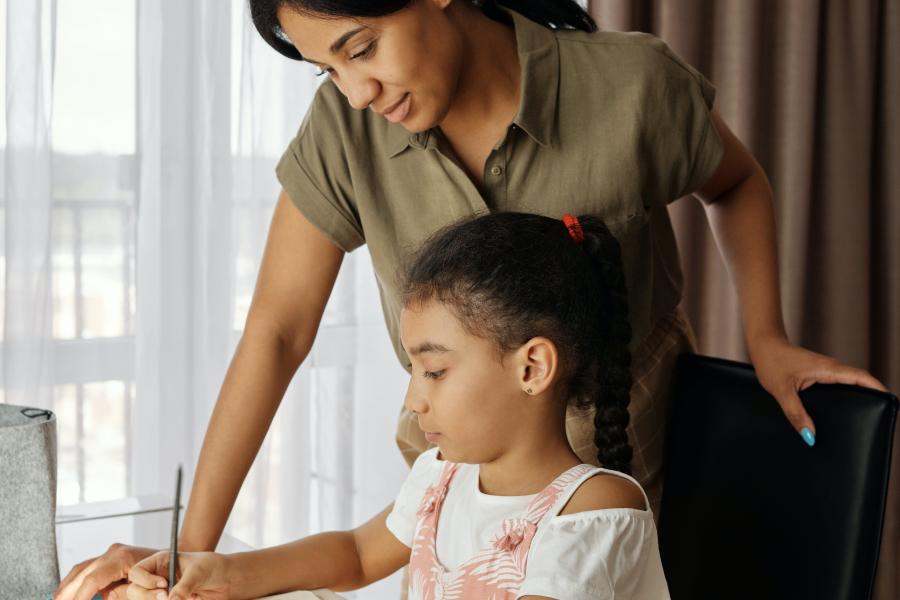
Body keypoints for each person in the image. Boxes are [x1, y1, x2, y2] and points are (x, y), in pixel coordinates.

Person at [54, 1, 887, 598]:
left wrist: (767, 334)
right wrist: (191, 561)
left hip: (632, 453)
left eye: (363, 46)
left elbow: (733, 180)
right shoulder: (439, 479)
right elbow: (277, 333)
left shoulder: (629, 89)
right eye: (327, 67)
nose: (355, 91)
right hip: (471, 477)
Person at [125, 212, 670, 600]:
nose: (413, 400)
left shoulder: (595, 509)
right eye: (414, 371)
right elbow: (358, 555)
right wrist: (225, 572)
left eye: (434, 371)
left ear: (532, 368)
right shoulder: (444, 476)